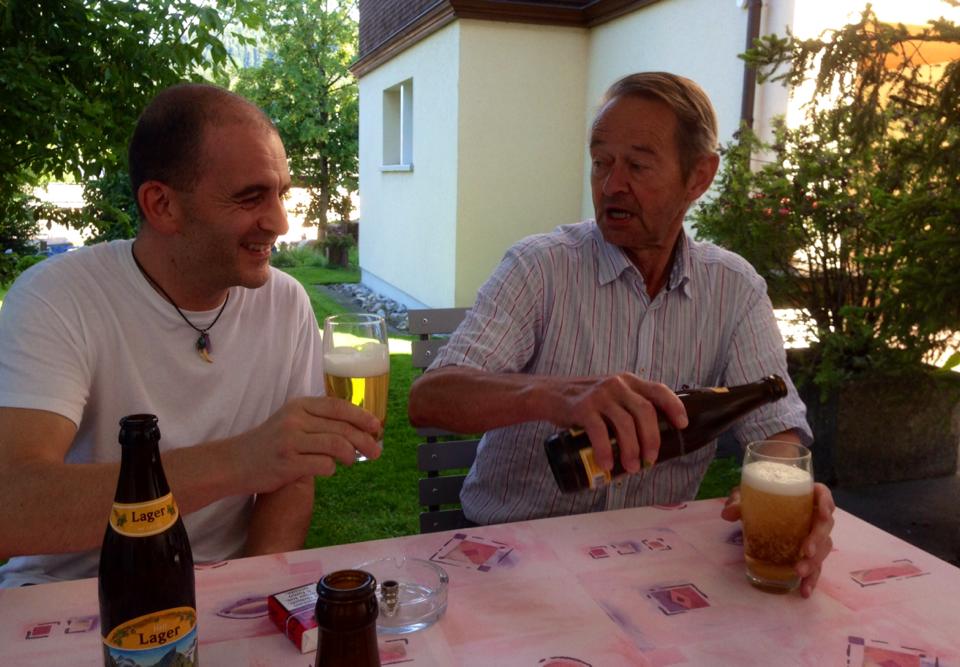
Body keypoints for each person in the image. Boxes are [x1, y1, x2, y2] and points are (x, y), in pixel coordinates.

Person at [408, 72, 835, 597]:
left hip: (653, 561)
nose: (611, 185)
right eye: (601, 162)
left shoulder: (734, 288)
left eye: (637, 165)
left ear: (699, 177)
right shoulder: (540, 268)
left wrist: (789, 496)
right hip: (512, 557)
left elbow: (775, 431)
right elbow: (430, 398)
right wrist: (555, 395)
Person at [0, 84, 382, 587]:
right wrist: (242, 460)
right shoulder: (59, 298)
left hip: (221, 590)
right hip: (69, 595)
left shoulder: (285, 302)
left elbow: (291, 480)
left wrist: (248, 591)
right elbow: (13, 504)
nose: (280, 222)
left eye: (281, 194)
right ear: (162, 204)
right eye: (250, 197)